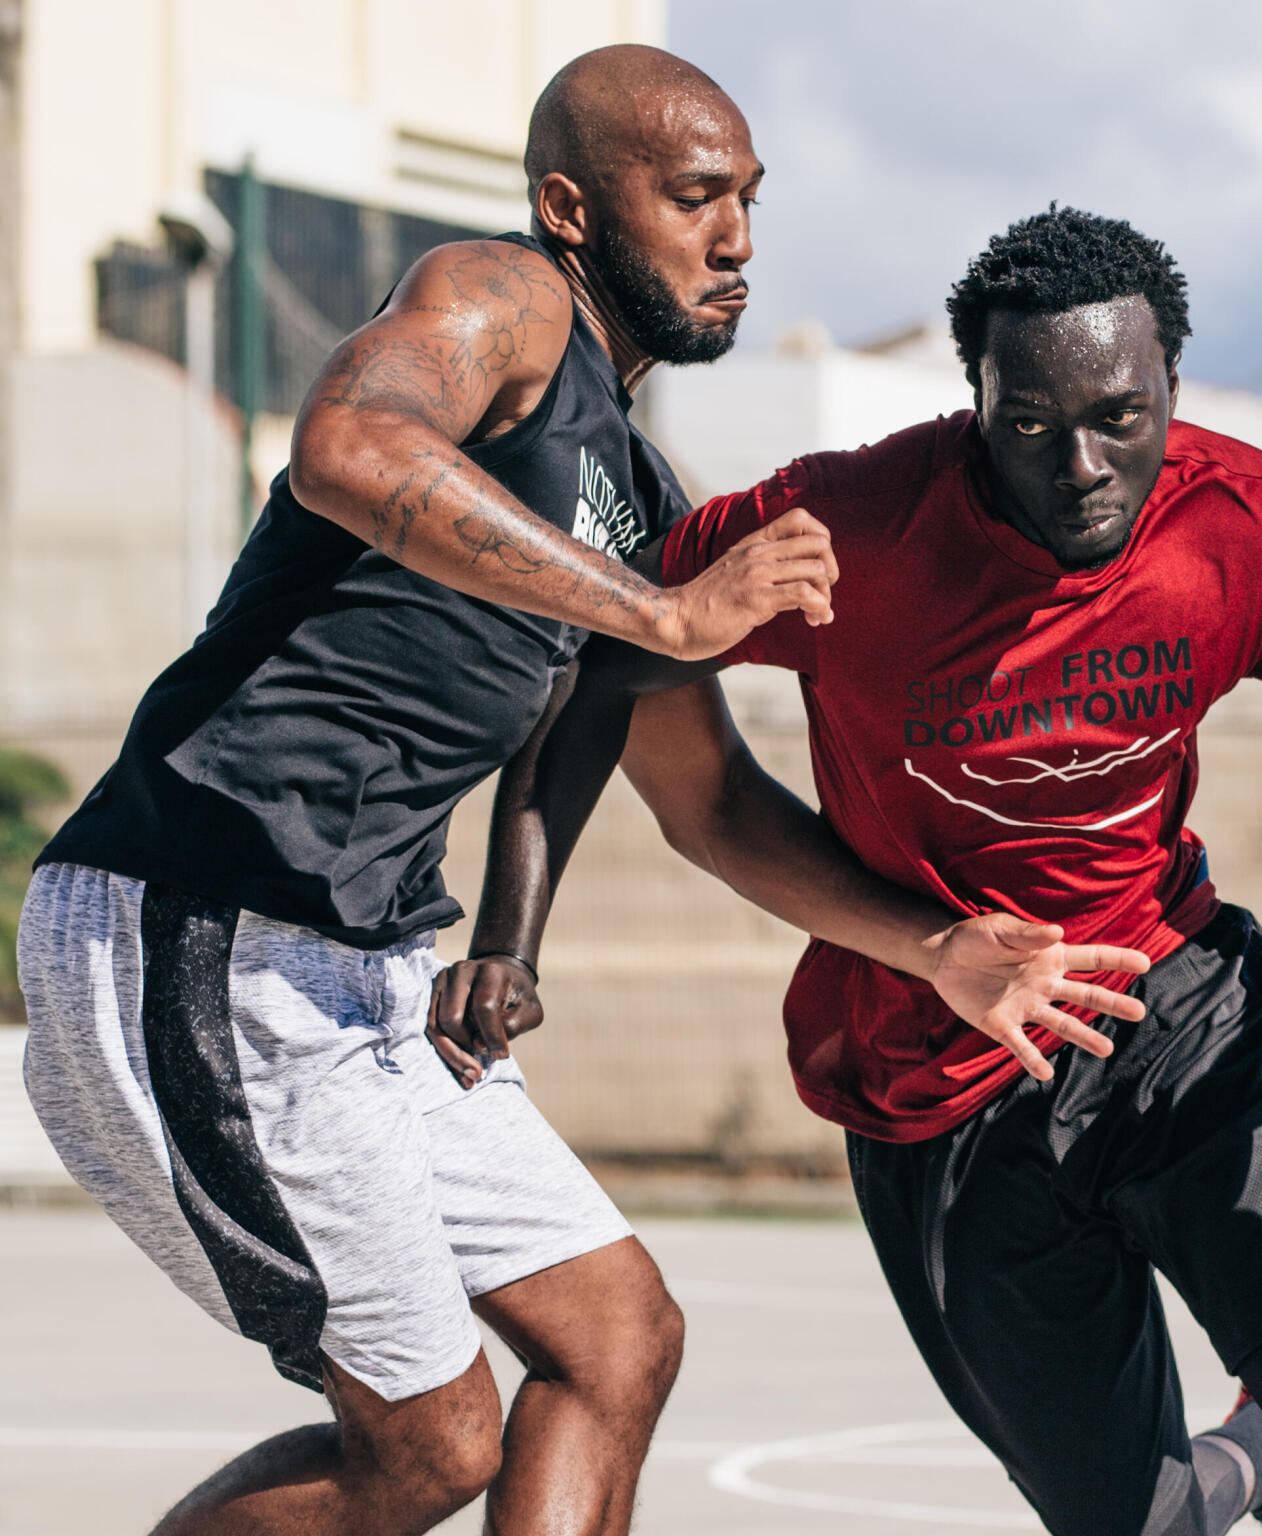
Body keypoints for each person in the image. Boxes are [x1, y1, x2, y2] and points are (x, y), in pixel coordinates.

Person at [434, 206, 1262, 1536]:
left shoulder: (1252, 524)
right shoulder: (849, 524)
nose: (1080, 464)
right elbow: (605, 655)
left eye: (1120, 418)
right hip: (946, 1081)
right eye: (1029, 424)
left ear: (1172, 390)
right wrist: (511, 933)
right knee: (1138, 1522)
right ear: (976, 403)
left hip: (1177, 1010)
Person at [15, 45, 868, 1536]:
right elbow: (350, 446)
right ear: (574, 208)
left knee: (618, 1341)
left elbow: (708, 805)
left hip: (370, 970)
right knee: (428, 1445)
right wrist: (665, 614)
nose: (735, 238)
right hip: (208, 924)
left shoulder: (640, 498)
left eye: (746, 198)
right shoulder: (506, 298)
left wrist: (950, 948)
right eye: (692, 196)